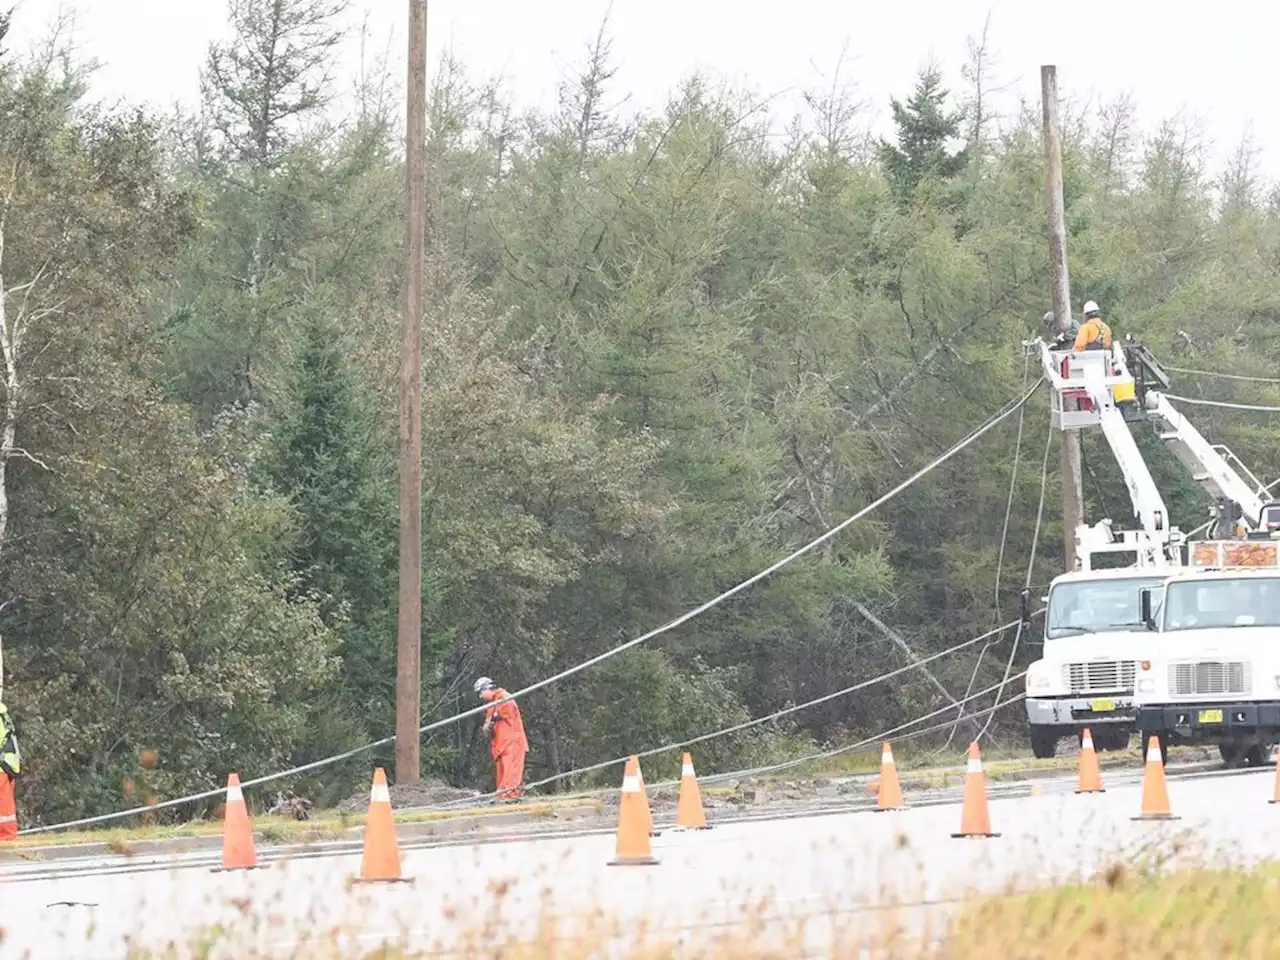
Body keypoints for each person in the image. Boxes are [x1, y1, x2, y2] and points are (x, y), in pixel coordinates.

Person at [474, 676, 528, 802]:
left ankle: (510, 798)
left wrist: (493, 718)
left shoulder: (503, 696)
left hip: (512, 742)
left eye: (481, 692)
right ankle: (502, 797)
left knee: (511, 773)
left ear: (487, 688)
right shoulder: (491, 704)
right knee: (502, 774)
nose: (480, 696)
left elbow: (506, 711)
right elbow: (487, 726)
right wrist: (487, 727)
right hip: (500, 746)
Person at [0, 701, 19, 840]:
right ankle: (7, 836)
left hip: (3, 766)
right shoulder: (2, 713)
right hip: (7, 765)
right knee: (5, 807)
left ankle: (6, 836)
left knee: (4, 808)